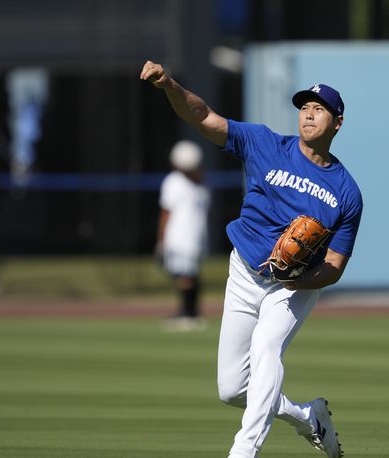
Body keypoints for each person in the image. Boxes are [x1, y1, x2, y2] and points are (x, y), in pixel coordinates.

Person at [141, 61, 363, 458]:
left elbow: (334, 265)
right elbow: (203, 116)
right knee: (233, 389)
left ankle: (243, 452)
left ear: (338, 123)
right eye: (304, 106)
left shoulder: (346, 193)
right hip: (243, 271)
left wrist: (300, 281)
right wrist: (170, 85)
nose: (309, 113)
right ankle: (309, 417)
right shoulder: (264, 143)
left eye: (319, 108)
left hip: (291, 287)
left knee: (265, 350)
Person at [157, 139, 211, 331]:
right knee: (187, 275)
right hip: (188, 237)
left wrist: (161, 240)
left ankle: (188, 313)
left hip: (183, 237)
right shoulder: (197, 183)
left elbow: (166, 212)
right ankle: (190, 311)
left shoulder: (177, 181)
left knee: (186, 276)